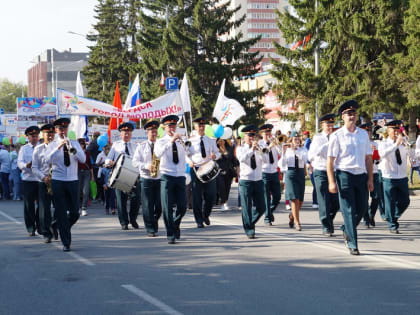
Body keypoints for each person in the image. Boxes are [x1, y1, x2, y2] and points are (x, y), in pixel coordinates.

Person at [327, 100, 373, 255]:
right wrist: (332, 181)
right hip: (344, 174)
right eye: (348, 114)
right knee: (348, 209)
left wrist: (370, 179)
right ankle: (352, 243)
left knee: (362, 208)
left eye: (353, 113)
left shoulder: (363, 134)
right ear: (343, 116)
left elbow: (368, 158)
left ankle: (347, 228)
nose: (351, 116)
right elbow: (331, 160)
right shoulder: (336, 136)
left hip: (361, 175)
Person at [45, 118, 85, 252]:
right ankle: (66, 242)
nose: (63, 131)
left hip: (72, 180)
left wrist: (72, 147)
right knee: (61, 212)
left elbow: (83, 159)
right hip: (58, 180)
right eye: (60, 129)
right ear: (56, 130)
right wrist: (58, 147)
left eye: (65, 129)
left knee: (75, 212)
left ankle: (57, 225)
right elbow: (47, 159)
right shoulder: (52, 144)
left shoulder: (74, 143)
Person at [154, 115, 188, 244]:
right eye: (169, 126)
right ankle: (170, 234)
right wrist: (171, 141)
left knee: (183, 206)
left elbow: (189, 153)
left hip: (180, 176)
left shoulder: (181, 140)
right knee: (167, 207)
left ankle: (175, 224)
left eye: (174, 125)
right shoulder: (161, 141)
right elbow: (158, 154)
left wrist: (185, 144)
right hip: (167, 175)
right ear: (165, 127)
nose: (172, 128)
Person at [308, 114, 340, 236]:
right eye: (327, 124)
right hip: (321, 170)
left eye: (332, 124)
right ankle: (326, 226)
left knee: (336, 202)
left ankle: (328, 220)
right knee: (323, 200)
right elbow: (311, 155)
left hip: (333, 170)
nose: (330, 127)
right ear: (322, 125)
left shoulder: (337, 137)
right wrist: (327, 143)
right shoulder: (318, 138)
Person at [105, 122, 141, 230]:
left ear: (131, 134)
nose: (126, 134)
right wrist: (109, 162)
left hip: (134, 177)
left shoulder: (135, 145)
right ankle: (124, 222)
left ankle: (133, 218)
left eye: (128, 132)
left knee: (136, 199)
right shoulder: (116, 146)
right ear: (120, 134)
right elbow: (107, 159)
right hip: (120, 176)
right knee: (121, 201)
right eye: (124, 132)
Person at [187, 117, 220, 228]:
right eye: (199, 125)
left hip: (208, 168)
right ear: (195, 127)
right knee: (197, 196)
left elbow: (217, 152)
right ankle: (199, 220)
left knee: (211, 195)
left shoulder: (210, 140)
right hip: (196, 169)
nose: (201, 127)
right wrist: (189, 161)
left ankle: (206, 214)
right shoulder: (190, 141)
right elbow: (185, 154)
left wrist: (215, 156)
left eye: (203, 125)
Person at [378, 120, 410, 234]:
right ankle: (392, 225)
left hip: (401, 176)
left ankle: (394, 217)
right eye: (393, 130)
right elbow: (382, 154)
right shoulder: (384, 143)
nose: (396, 132)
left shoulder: (403, 142)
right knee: (390, 202)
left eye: (398, 130)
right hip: (389, 177)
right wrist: (395, 145)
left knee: (405, 201)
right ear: (388, 130)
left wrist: (408, 149)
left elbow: (409, 155)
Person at [236, 125, 267, 239]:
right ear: (244, 136)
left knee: (261, 207)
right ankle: (249, 230)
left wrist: (260, 151)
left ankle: (249, 223)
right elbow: (242, 159)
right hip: (246, 180)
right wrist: (251, 150)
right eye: (249, 135)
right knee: (247, 207)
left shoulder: (259, 147)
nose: (251, 138)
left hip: (258, 179)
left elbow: (266, 160)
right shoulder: (241, 148)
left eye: (253, 135)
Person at [132, 120, 162, 237]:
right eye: (151, 131)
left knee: (159, 206)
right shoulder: (141, 146)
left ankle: (154, 221)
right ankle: (150, 228)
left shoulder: (161, 145)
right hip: (146, 178)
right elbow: (135, 162)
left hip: (158, 177)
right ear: (147, 133)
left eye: (155, 131)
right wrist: (146, 166)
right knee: (147, 204)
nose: (154, 133)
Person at [32, 124, 58, 243]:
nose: (50, 135)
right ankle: (46, 233)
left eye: (52, 133)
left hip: (57, 181)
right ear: (43, 134)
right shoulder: (38, 149)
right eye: (47, 133)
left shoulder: (59, 146)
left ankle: (55, 226)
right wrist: (43, 177)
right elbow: (34, 167)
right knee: (44, 209)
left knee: (59, 208)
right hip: (44, 182)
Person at [280, 131, 308, 231]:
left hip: (300, 173)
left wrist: (296, 151)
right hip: (290, 173)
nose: (296, 141)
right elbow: (282, 164)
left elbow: (305, 159)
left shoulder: (303, 149)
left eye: (298, 139)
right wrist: (283, 152)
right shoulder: (287, 150)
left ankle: (292, 216)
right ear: (291, 140)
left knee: (300, 201)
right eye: (294, 139)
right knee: (294, 199)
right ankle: (297, 222)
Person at [17, 126, 40, 236]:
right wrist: (26, 165)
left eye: (36, 136)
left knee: (42, 205)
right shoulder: (24, 149)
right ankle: (31, 227)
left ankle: (40, 225)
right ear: (28, 137)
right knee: (28, 205)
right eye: (32, 136)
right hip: (28, 180)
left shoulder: (42, 147)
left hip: (40, 180)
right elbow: (19, 163)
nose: (35, 138)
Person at [258, 124, 282, 226]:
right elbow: (261, 156)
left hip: (274, 172)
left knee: (277, 196)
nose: (268, 134)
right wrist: (269, 147)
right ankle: (267, 218)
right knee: (266, 197)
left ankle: (269, 211)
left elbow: (281, 153)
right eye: (266, 133)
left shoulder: (275, 142)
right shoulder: (259, 144)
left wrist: (277, 145)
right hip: (264, 172)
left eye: (269, 132)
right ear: (262, 134)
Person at [359, 122, 381, 228]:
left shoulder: (375, 144)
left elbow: (378, 160)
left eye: (368, 131)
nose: (367, 133)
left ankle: (371, 214)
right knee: (364, 198)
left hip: (375, 172)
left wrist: (375, 153)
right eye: (365, 131)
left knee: (376, 196)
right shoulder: (358, 144)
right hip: (363, 172)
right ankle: (366, 219)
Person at [216, 138, 237, 210]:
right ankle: (222, 203)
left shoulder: (230, 148)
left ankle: (225, 202)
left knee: (227, 188)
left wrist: (237, 170)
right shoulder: (215, 149)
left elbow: (233, 159)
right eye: (219, 141)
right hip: (219, 171)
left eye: (222, 140)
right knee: (221, 187)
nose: (221, 142)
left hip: (229, 171)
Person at [96, 144, 115, 215]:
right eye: (106, 148)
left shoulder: (113, 169)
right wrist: (104, 184)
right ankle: (107, 208)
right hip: (106, 185)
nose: (107, 149)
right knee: (107, 197)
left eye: (108, 148)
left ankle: (113, 208)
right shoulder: (103, 170)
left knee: (113, 197)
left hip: (112, 185)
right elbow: (102, 178)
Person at [77, 138, 93, 216]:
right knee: (78, 190)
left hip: (86, 172)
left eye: (82, 144)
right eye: (80, 144)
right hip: (78, 172)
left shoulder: (87, 153)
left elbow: (90, 166)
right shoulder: (75, 152)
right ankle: (78, 207)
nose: (81, 145)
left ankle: (84, 208)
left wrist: (92, 176)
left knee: (85, 191)